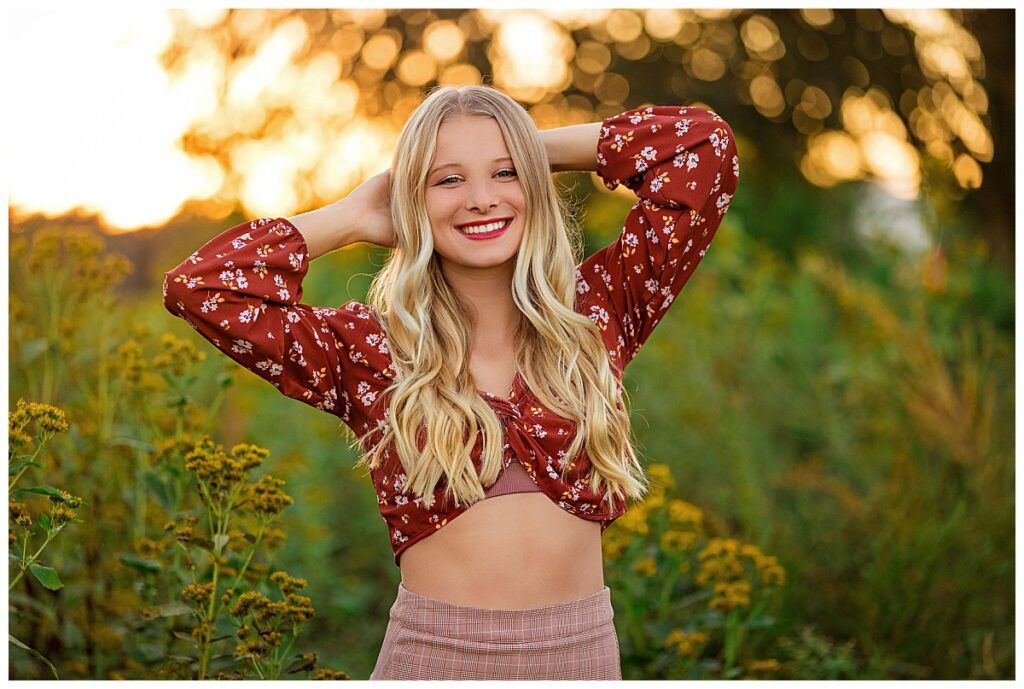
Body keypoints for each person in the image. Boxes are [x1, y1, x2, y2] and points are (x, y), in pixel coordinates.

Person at [162, 84, 739, 680]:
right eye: (448, 181)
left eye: (505, 174)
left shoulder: (597, 315)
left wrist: (525, 145)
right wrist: (353, 217)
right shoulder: (374, 351)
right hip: (435, 661)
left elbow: (703, 147)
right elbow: (202, 287)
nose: (482, 200)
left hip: (583, 661)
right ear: (412, 197)